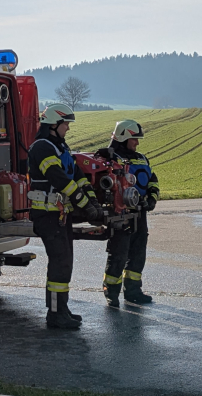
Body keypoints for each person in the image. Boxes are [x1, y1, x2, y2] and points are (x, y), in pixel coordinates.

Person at [27, 104, 103, 329]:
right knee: (59, 262)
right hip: (46, 215)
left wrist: (93, 202)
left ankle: (62, 309)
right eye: (66, 124)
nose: (68, 128)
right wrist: (84, 204)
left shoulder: (61, 147)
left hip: (60, 215)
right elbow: (59, 178)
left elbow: (78, 177)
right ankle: (55, 314)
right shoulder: (42, 147)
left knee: (65, 263)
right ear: (53, 125)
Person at [102, 120, 159, 307]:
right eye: (134, 139)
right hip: (121, 213)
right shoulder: (109, 158)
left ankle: (133, 291)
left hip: (140, 214)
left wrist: (152, 197)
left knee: (138, 252)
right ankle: (111, 292)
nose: (137, 143)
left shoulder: (142, 158)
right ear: (124, 137)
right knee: (119, 253)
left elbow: (152, 178)